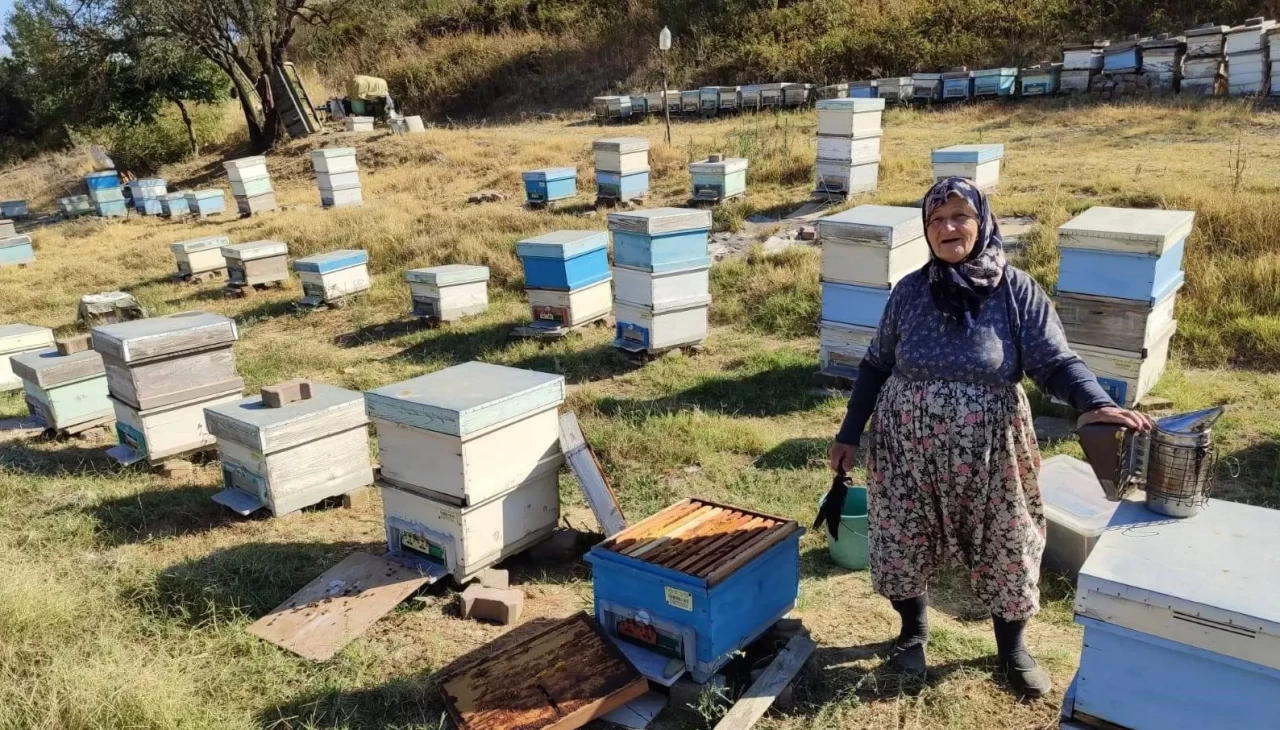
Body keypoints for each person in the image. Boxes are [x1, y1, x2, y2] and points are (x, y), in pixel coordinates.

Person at [827, 177, 1152, 697]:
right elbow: (874, 365)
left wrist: (1097, 402)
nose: (948, 228)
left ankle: (1013, 648)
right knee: (901, 536)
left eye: (960, 216)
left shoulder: (1016, 290)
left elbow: (1056, 362)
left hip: (992, 450)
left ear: (982, 222)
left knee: (1010, 539)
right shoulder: (911, 291)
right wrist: (849, 434)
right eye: (936, 220)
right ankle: (912, 634)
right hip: (905, 445)